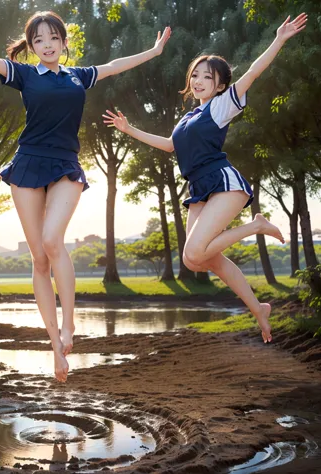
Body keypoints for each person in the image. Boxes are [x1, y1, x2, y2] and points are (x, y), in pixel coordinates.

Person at [0, 7, 171, 382]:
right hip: (27, 165)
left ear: (63, 41)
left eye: (52, 38)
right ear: (31, 45)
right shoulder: (24, 74)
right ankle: (55, 342)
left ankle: (70, 324)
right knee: (40, 259)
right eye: (37, 39)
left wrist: (153, 53)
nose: (45, 44)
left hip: (65, 166)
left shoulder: (78, 76)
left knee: (52, 239)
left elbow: (115, 65)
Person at [104, 13, 307, 344]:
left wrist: (279, 39)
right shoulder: (188, 116)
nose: (198, 80)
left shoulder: (221, 106)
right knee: (196, 259)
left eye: (207, 77)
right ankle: (259, 309)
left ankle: (256, 226)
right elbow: (171, 146)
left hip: (223, 183)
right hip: (199, 188)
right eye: (195, 74)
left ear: (220, 85)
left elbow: (253, 72)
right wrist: (129, 130)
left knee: (197, 253)